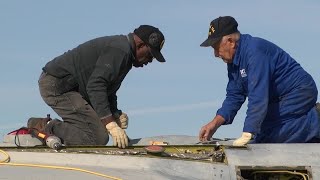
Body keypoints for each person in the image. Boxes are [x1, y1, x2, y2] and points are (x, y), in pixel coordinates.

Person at [28, 25, 166, 148]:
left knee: (97, 131)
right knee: (97, 137)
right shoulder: (120, 51)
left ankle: (59, 130)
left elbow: (107, 90)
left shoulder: (126, 55)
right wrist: (110, 124)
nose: (150, 61)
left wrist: (114, 114)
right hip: (57, 86)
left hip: (70, 88)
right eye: (150, 55)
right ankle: (46, 127)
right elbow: (96, 86)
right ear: (141, 45)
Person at [199, 16, 320, 146]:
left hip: (298, 92)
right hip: (277, 99)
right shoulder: (234, 61)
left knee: (272, 139)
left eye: (216, 48)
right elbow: (234, 95)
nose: (216, 54)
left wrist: (248, 131)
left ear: (230, 42)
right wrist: (215, 123)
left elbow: (258, 96)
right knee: (263, 135)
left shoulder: (255, 52)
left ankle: (317, 119)